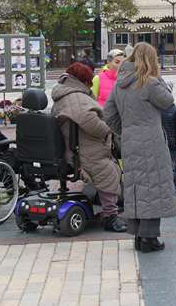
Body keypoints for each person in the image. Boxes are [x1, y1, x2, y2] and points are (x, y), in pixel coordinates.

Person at [104, 42, 175, 253]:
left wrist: (125, 129)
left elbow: (108, 114)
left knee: (135, 187)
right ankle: (149, 238)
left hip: (129, 140)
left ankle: (137, 235)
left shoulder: (119, 84)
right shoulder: (150, 83)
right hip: (151, 140)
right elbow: (168, 102)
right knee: (153, 187)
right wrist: (161, 80)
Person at [52, 63, 127, 233]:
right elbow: (89, 121)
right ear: (83, 80)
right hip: (84, 150)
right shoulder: (76, 97)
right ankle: (110, 216)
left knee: (108, 168)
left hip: (78, 146)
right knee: (108, 171)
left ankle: (105, 207)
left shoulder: (65, 93)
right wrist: (106, 130)